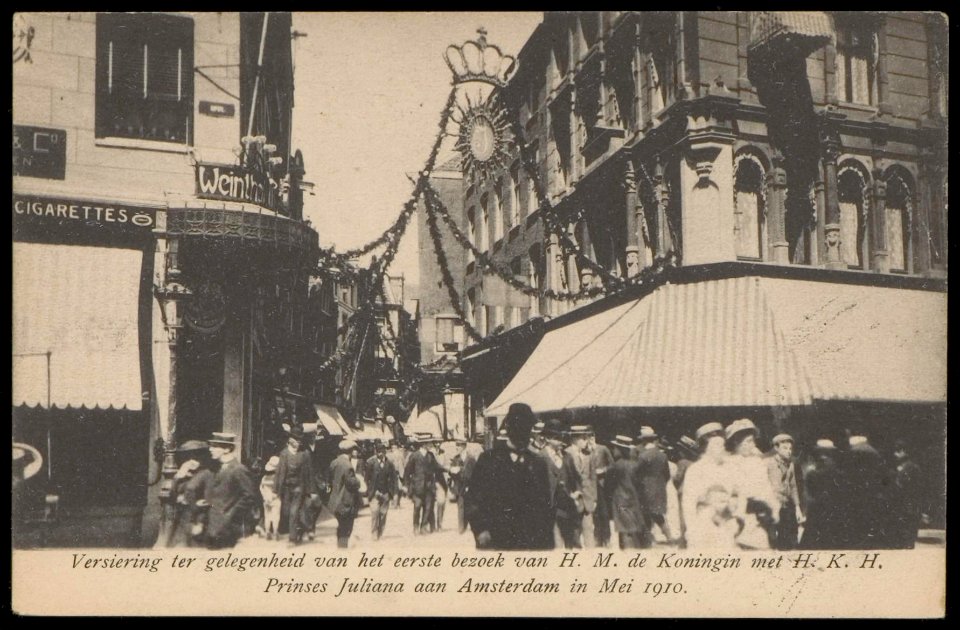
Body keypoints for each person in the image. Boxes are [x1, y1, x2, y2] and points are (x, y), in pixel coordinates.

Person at [466, 403, 554, 550]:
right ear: (509, 428)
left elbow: (544, 507)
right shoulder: (488, 460)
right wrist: (481, 530)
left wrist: (547, 545)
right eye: (519, 427)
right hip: (496, 541)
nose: (524, 432)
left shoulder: (538, 463)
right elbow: (473, 499)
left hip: (530, 544)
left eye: (527, 428)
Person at [681, 422, 737, 549]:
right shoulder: (696, 470)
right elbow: (688, 503)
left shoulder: (728, 468)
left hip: (725, 522)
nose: (722, 448)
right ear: (707, 447)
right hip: (704, 523)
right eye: (717, 445)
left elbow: (734, 493)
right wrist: (691, 529)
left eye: (722, 445)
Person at [725, 419, 779, 550]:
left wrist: (774, 510)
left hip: (758, 517)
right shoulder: (727, 463)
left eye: (753, 441)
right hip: (735, 516)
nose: (753, 445)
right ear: (737, 442)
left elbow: (766, 489)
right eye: (748, 441)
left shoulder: (757, 463)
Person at [205, 432, 258, 549]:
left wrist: (230, 514)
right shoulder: (217, 468)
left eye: (215, 446)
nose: (210, 449)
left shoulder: (238, 470)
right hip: (214, 527)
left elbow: (249, 497)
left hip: (228, 528)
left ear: (227, 449)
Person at [542, 421, 583, 548]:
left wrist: (577, 492)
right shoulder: (539, 458)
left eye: (561, 438)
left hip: (567, 508)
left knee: (572, 543)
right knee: (556, 545)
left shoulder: (567, 457)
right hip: (549, 509)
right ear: (548, 439)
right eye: (556, 438)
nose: (560, 441)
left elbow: (577, 478)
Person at [274, 425, 317, 544]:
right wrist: (276, 490)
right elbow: (280, 473)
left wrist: (312, 491)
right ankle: (301, 529)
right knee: (287, 512)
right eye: (296, 441)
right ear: (290, 441)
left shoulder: (305, 454)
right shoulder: (284, 454)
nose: (298, 443)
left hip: (299, 488)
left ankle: (292, 538)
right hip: (287, 488)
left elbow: (310, 473)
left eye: (300, 441)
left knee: (294, 512)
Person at [605, 435, 649, 549]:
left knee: (624, 531)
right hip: (634, 500)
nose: (613, 451)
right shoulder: (635, 464)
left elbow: (608, 484)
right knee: (635, 529)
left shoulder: (615, 466)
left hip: (620, 501)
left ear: (620, 450)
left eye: (615, 448)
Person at [799, 439, 843, 549]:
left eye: (826, 453)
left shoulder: (825, 470)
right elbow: (807, 491)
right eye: (822, 453)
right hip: (819, 507)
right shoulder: (814, 471)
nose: (824, 456)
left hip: (827, 507)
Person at [635, 426, 674, 545]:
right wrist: (660, 484)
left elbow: (637, 473)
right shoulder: (663, 456)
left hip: (645, 489)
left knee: (645, 513)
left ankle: (647, 540)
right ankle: (669, 537)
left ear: (644, 440)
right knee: (658, 515)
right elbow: (667, 474)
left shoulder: (642, 456)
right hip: (660, 489)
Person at [766, 433, 804, 550]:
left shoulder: (790, 464)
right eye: (785, 448)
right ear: (776, 448)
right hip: (775, 505)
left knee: (792, 535)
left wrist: (797, 508)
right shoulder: (771, 464)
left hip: (787, 505)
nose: (789, 451)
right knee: (776, 538)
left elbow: (793, 486)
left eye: (790, 449)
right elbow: (774, 488)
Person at [327, 439, 362, 548]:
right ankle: (343, 550)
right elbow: (352, 483)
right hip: (346, 502)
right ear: (351, 451)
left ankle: (340, 546)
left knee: (341, 526)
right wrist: (359, 481)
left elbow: (330, 480)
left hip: (335, 502)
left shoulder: (334, 462)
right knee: (346, 529)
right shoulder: (348, 465)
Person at [890, 440, 922, 549]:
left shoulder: (909, 467)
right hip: (908, 504)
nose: (895, 454)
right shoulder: (907, 466)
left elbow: (901, 486)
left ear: (904, 451)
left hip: (907, 504)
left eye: (898, 451)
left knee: (906, 534)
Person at [404, 436, 438, 535]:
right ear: (424, 444)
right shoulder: (414, 456)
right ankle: (415, 526)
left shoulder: (430, 455)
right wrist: (406, 485)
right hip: (417, 487)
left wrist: (448, 469)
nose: (431, 445)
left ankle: (423, 527)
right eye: (429, 443)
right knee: (417, 506)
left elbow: (436, 466)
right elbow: (407, 471)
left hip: (429, 486)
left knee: (428, 508)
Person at [365, 441, 397, 541]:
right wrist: (371, 491)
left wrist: (394, 493)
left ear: (385, 452)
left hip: (386, 493)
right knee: (374, 513)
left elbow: (393, 479)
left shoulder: (389, 464)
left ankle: (380, 532)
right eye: (378, 451)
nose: (380, 454)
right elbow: (367, 479)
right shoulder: (370, 463)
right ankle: (374, 533)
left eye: (382, 451)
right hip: (374, 493)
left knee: (383, 514)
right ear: (376, 452)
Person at [590, 433, 615, 547]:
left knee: (604, 513)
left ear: (594, 437)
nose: (589, 441)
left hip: (602, 485)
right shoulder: (585, 451)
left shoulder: (603, 449)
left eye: (591, 437)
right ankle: (598, 538)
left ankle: (607, 538)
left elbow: (612, 465)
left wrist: (603, 470)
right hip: (591, 486)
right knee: (595, 514)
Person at [259, 456, 281, 540]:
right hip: (275, 498)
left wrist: (264, 496)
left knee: (267, 516)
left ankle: (267, 531)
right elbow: (279, 489)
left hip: (266, 499)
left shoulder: (264, 478)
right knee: (276, 516)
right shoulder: (277, 479)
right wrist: (276, 495)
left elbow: (261, 487)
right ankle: (275, 532)